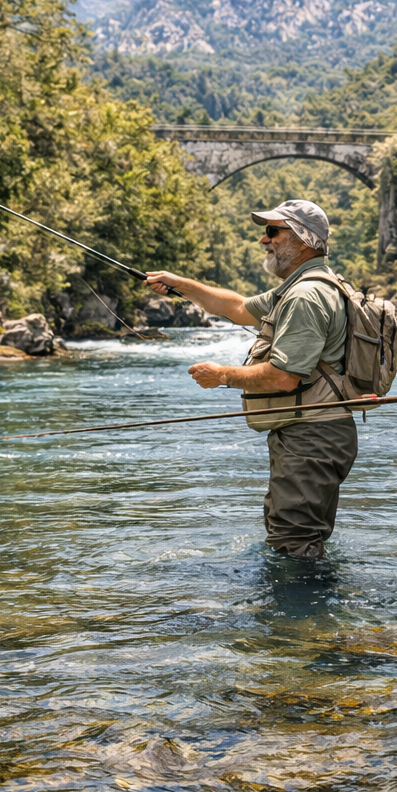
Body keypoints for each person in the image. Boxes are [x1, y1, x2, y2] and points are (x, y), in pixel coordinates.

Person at [145, 199, 356, 561]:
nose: (264, 239)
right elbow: (238, 308)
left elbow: (283, 378)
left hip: (311, 437)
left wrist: (223, 375)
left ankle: (300, 618)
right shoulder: (304, 285)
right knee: (301, 540)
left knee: (294, 546)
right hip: (313, 433)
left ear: (303, 240)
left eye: (273, 231)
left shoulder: (306, 296)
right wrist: (180, 284)